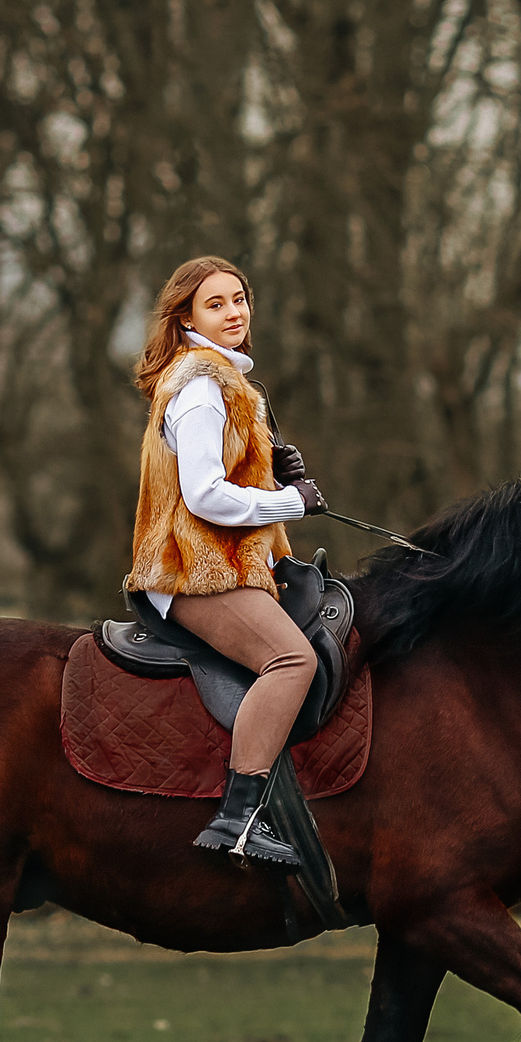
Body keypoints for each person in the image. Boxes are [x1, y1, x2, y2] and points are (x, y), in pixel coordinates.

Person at [125, 256, 328, 870]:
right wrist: (288, 500)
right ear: (186, 316)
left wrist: (268, 470)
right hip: (193, 570)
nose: (234, 312)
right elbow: (204, 495)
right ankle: (238, 820)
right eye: (216, 304)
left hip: (219, 565)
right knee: (294, 659)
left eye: (239, 299)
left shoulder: (223, 381)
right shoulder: (202, 384)